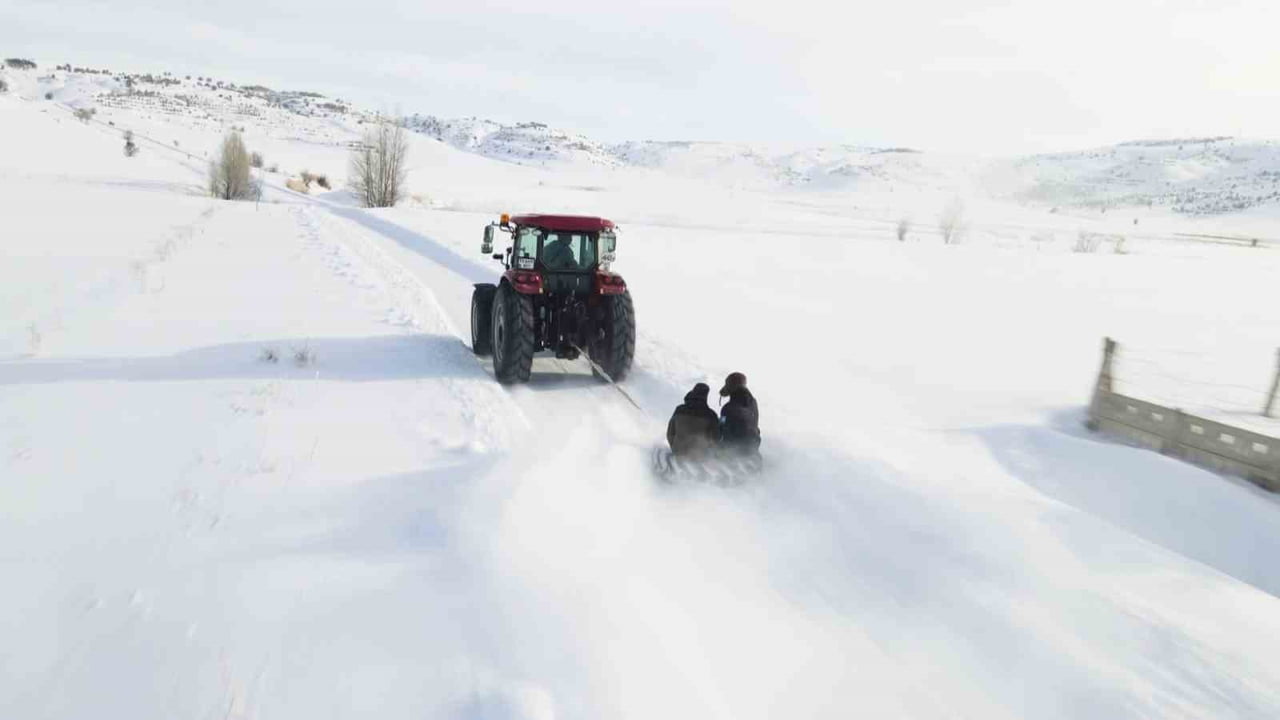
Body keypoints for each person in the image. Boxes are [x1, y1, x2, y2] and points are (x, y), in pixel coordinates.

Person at [666, 382, 719, 459]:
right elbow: (715, 438)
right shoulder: (711, 415)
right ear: (706, 395)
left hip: (678, 452)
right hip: (699, 455)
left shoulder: (679, 409)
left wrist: (674, 447)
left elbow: (670, 432)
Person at [717, 371, 761, 458]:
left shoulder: (727, 408)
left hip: (732, 455)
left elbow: (720, 428)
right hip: (754, 454)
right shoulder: (753, 403)